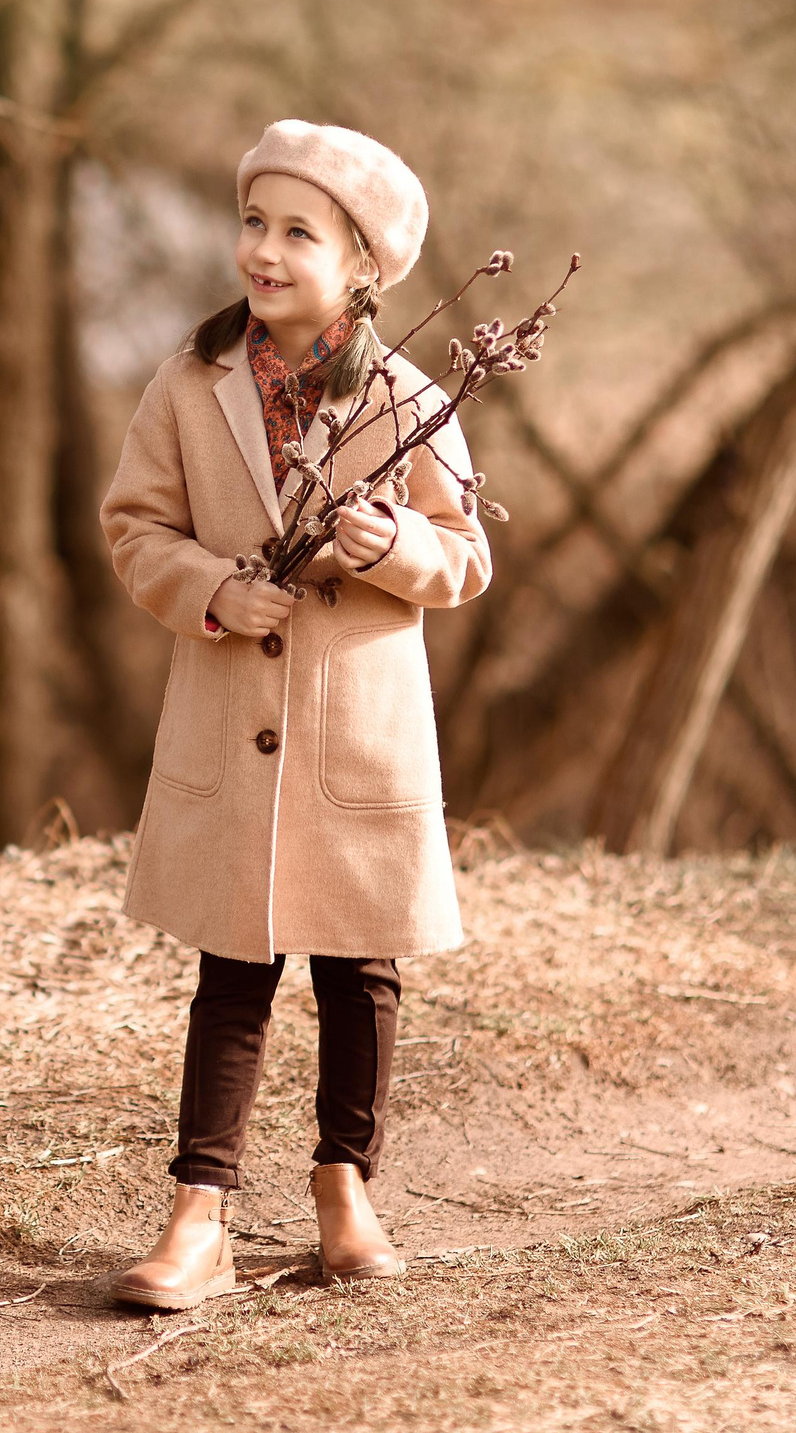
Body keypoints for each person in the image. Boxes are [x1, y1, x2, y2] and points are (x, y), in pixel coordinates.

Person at [98, 119, 491, 1309]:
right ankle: (198, 1211)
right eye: (253, 222)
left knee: (358, 971)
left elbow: (467, 554)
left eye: (296, 232)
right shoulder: (190, 377)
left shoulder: (407, 393)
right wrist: (214, 587)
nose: (262, 250)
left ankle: (343, 1188)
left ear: (361, 264)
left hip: (354, 730)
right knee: (232, 967)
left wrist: (394, 545)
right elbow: (134, 526)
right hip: (231, 714)